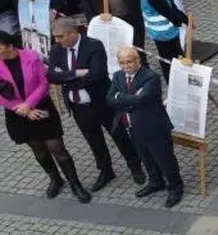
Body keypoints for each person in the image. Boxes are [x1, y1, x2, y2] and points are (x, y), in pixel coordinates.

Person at [46, 17, 144, 190]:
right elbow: (52, 76)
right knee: (93, 140)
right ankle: (106, 170)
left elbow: (97, 74)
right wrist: (76, 73)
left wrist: (66, 77)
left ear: (73, 33)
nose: (57, 40)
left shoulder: (93, 46)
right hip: (78, 106)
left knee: (119, 135)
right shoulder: (56, 51)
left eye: (60, 36)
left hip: (101, 102)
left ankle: (135, 166)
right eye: (56, 37)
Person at [0, 30, 91, 202]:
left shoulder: (31, 56)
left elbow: (43, 83)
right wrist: (21, 108)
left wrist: (29, 104)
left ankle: (75, 183)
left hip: (40, 106)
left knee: (57, 147)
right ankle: (55, 179)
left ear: (9, 45)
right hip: (17, 112)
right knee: (38, 149)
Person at [108, 46, 183, 207]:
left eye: (129, 61)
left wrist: (120, 97)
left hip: (154, 128)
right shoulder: (118, 76)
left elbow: (142, 99)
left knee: (165, 160)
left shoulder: (150, 77)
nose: (126, 66)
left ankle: (175, 187)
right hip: (133, 127)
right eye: (122, 63)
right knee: (145, 158)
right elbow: (110, 98)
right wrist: (127, 98)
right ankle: (156, 181)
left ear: (137, 60)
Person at [118, 0, 186, 84]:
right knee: (177, 56)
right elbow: (169, 2)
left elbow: (167, 10)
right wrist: (184, 18)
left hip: (163, 33)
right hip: (168, 31)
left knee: (168, 62)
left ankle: (175, 86)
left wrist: (181, 20)